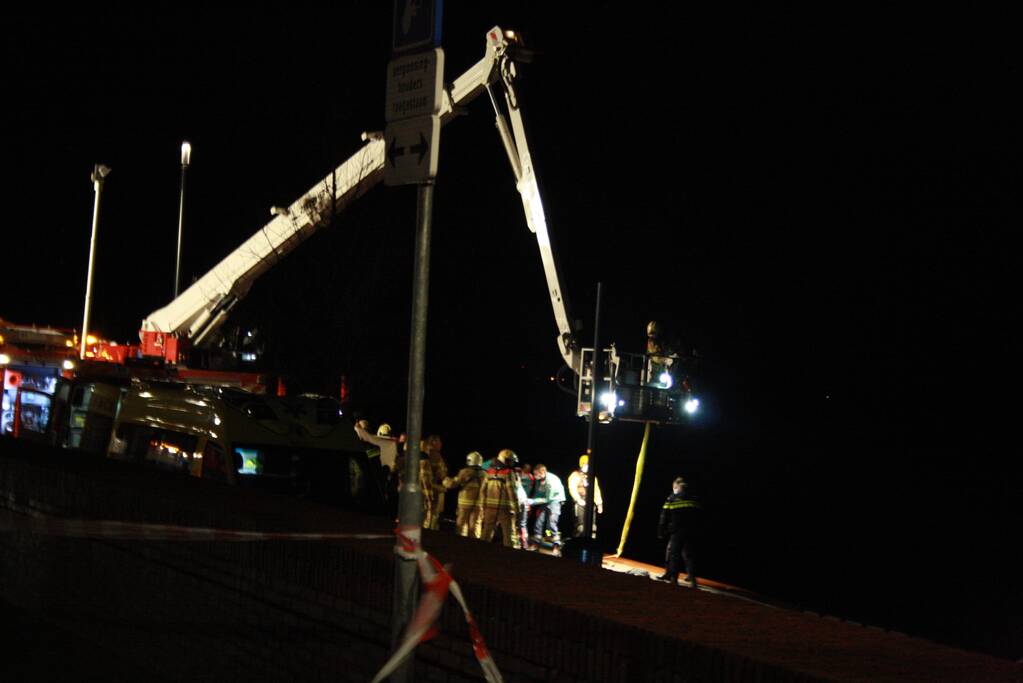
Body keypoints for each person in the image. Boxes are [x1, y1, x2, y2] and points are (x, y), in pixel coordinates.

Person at [657, 476, 703, 587]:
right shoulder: (694, 498)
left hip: (677, 531)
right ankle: (692, 579)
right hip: (691, 531)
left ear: (676, 487)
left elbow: (664, 515)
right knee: (689, 554)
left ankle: (673, 578)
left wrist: (661, 530)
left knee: (673, 554)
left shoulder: (672, 498)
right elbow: (699, 516)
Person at [475, 449, 521, 548]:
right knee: (508, 535)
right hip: (504, 510)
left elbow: (482, 490)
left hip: (489, 508)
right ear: (506, 460)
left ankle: (479, 552)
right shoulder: (508, 473)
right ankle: (510, 556)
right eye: (511, 461)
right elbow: (512, 492)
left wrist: (482, 505)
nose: (512, 463)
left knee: (486, 533)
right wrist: (517, 509)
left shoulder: (489, 472)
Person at [443, 451, 486, 537]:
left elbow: (452, 484)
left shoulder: (465, 472)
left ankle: (461, 543)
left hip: (464, 503)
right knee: (475, 525)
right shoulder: (485, 474)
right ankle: (474, 543)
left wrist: (444, 480)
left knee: (461, 525)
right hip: (479, 504)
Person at [528, 463, 566, 553]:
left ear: (543, 472)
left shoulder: (551, 480)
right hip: (545, 501)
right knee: (538, 522)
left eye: (536, 474)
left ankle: (556, 545)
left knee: (552, 523)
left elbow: (549, 498)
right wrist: (531, 501)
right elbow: (538, 493)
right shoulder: (539, 480)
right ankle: (536, 543)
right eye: (534, 474)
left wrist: (533, 501)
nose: (535, 476)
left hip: (555, 501)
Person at [568, 454, 603, 538]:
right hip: (580, 502)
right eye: (586, 464)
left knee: (592, 527)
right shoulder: (575, 475)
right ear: (582, 464)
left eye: (588, 465)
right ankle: (577, 542)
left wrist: (599, 504)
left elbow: (596, 491)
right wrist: (578, 499)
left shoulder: (592, 477)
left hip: (590, 502)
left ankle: (591, 542)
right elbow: (572, 488)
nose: (587, 466)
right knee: (581, 527)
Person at [423, 434, 447, 530]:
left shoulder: (423, 453)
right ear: (433, 442)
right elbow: (442, 473)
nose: (441, 444)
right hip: (432, 489)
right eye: (439, 442)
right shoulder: (436, 456)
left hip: (420, 489)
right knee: (433, 515)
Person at [516, 463, 536, 548]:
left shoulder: (522, 478)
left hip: (519, 501)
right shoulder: (531, 477)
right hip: (525, 501)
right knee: (523, 524)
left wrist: (517, 473)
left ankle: (520, 542)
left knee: (519, 523)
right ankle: (524, 543)